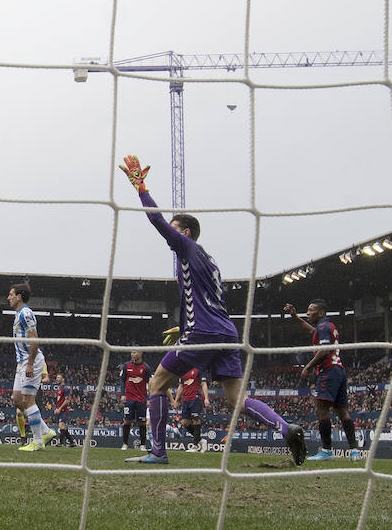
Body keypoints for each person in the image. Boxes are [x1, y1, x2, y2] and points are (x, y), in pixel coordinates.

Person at [121, 155, 306, 465]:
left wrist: (141, 187)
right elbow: (207, 301)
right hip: (225, 332)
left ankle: (158, 452)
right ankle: (288, 429)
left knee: (157, 383)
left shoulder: (186, 247)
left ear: (186, 233)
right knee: (236, 400)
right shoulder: (210, 260)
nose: (172, 233)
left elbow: (156, 220)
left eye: (176, 229)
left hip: (203, 333)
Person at [284, 300, 361, 461]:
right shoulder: (326, 327)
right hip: (339, 370)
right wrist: (296, 317)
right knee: (342, 411)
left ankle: (326, 450)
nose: (308, 313)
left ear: (321, 313)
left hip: (328, 371)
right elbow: (310, 331)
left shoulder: (323, 327)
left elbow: (324, 350)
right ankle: (354, 450)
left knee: (321, 408)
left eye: (311, 310)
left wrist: (308, 366)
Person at [8, 283, 57, 452]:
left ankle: (37, 441)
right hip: (21, 362)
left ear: (19, 296)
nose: (8, 298)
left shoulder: (26, 313)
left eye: (11, 294)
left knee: (28, 401)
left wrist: (30, 363)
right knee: (17, 399)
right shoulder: (18, 314)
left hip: (31, 361)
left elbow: (34, 340)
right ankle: (46, 431)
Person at [174, 367, 210, 452]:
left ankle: (195, 445)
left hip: (195, 397)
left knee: (195, 419)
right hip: (185, 399)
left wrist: (206, 398)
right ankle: (201, 440)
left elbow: (204, 384)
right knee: (184, 422)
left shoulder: (199, 369)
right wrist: (176, 400)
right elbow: (181, 386)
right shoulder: (183, 371)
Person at [120, 351, 150, 451]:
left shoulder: (146, 368)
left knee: (142, 422)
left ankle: (142, 445)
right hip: (129, 398)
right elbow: (122, 380)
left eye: (135, 352)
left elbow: (149, 384)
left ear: (140, 354)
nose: (132, 354)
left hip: (141, 399)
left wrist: (148, 398)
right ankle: (125, 444)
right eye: (132, 352)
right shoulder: (126, 366)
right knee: (127, 421)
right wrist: (123, 394)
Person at [52, 373, 76, 447]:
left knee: (61, 426)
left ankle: (60, 442)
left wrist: (60, 408)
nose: (57, 379)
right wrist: (57, 408)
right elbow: (60, 400)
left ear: (63, 379)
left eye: (59, 377)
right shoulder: (60, 388)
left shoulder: (66, 388)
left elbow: (67, 400)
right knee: (63, 427)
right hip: (60, 410)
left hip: (64, 410)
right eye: (57, 377)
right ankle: (72, 442)